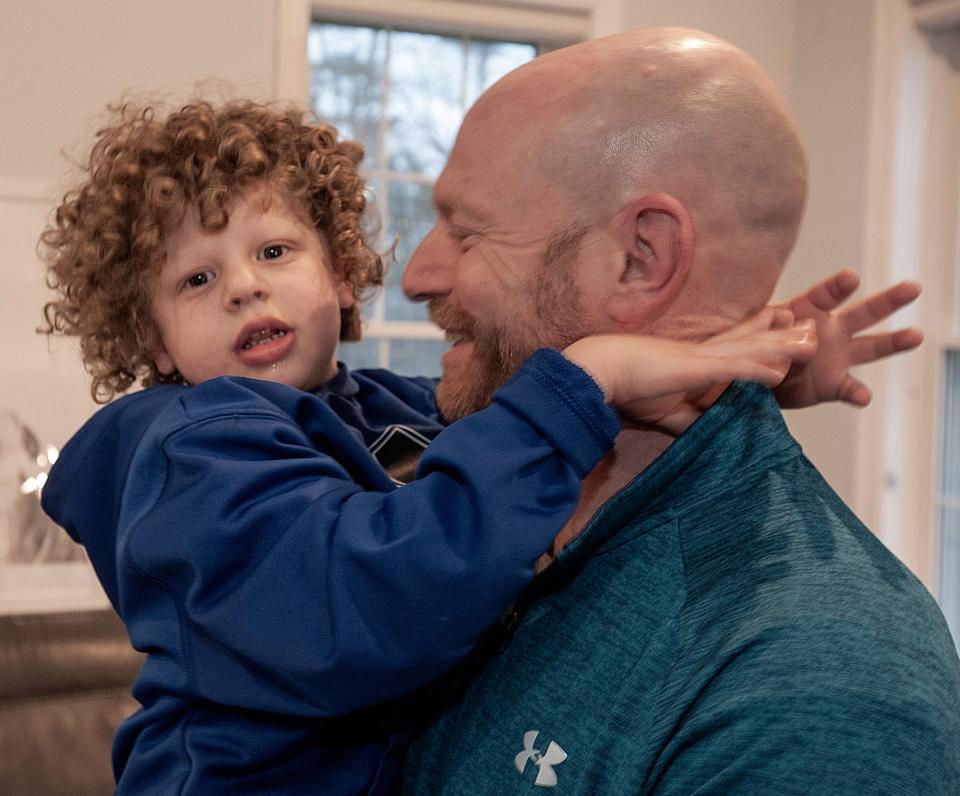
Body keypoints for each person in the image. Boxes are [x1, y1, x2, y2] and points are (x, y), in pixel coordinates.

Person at [37, 99, 817, 794]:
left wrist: (736, 362)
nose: (243, 286)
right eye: (197, 280)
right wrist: (585, 379)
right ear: (157, 342)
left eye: (273, 252)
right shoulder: (191, 454)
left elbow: (516, 462)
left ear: (341, 276)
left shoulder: (384, 409)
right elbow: (369, 601)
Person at [399, 27, 960, 794]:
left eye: (466, 232)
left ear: (640, 260)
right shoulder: (464, 501)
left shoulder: (811, 676)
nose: (417, 274)